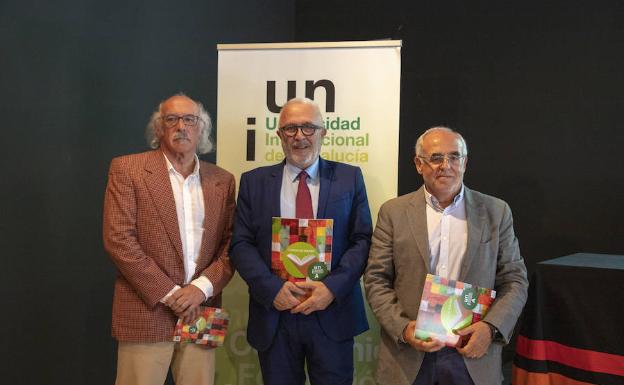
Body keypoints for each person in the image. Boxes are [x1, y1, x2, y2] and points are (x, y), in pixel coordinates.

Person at [364, 126, 528, 385]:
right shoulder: (393, 212)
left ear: (465, 163)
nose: (446, 165)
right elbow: (376, 279)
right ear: (419, 164)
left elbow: (515, 281)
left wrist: (490, 328)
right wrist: (404, 329)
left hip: (471, 354)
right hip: (408, 355)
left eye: (454, 157)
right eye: (436, 158)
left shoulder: (496, 212)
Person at [230, 98, 372, 385]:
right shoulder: (253, 182)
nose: (299, 136)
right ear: (279, 135)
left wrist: (331, 289)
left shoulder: (349, 178)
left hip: (331, 313)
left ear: (323, 133)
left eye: (308, 127)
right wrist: (272, 290)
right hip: (276, 314)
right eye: (291, 128)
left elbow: (362, 240)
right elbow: (240, 244)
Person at [103, 93, 235, 385]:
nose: (181, 126)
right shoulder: (128, 169)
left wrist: (200, 289)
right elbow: (119, 239)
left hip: (202, 309)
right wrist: (171, 293)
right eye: (172, 119)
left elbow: (231, 244)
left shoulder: (222, 180)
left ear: (201, 128)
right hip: (146, 310)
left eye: (190, 119)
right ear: (159, 128)